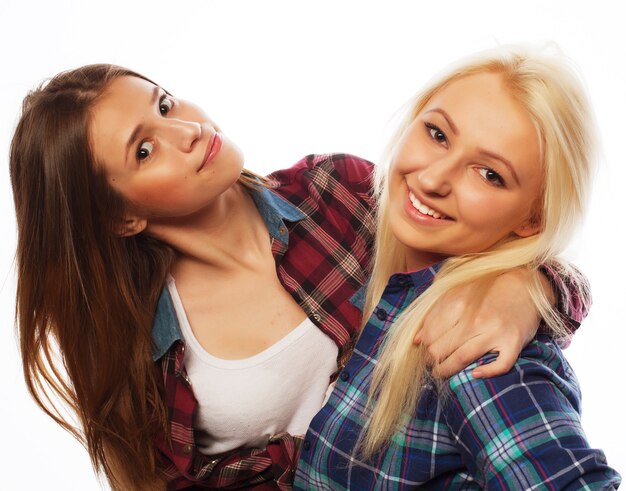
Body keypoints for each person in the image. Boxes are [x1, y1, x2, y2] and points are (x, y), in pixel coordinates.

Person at [10, 61, 590, 490]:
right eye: (143, 150)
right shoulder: (136, 345)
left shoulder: (339, 192)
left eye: (163, 105)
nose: (184, 131)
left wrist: (526, 289)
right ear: (121, 216)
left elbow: (489, 248)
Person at [295, 44, 621, 489]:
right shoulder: (343, 200)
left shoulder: (474, 343)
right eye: (437, 134)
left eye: (489, 174)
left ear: (532, 220)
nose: (431, 180)